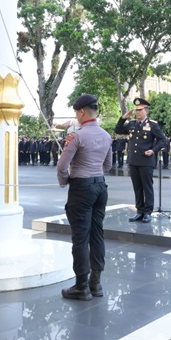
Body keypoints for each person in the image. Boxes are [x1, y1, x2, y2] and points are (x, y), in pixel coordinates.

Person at [56, 94, 112, 301]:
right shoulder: (106, 135)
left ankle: (81, 286)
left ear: (81, 112)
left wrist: (65, 181)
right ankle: (95, 284)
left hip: (81, 188)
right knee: (97, 234)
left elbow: (62, 166)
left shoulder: (76, 136)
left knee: (80, 237)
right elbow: (108, 165)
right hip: (100, 186)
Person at [114, 97, 166, 223]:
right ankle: (140, 211)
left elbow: (162, 140)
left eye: (140, 110)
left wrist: (153, 150)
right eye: (136, 110)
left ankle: (148, 212)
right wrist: (123, 118)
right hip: (133, 160)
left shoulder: (152, 125)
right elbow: (118, 130)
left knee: (147, 187)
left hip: (146, 161)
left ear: (146, 111)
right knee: (137, 187)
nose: (137, 112)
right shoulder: (131, 123)